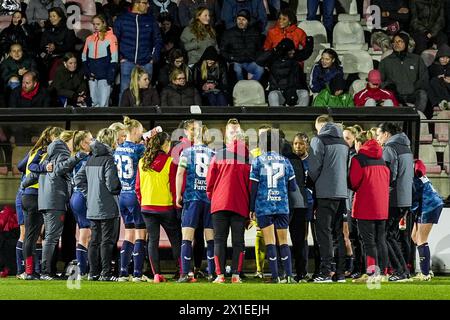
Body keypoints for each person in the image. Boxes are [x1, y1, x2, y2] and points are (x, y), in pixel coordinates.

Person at [206, 119, 251, 283]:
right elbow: (251, 186)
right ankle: (236, 275)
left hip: (219, 204)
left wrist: (213, 198)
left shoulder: (219, 155)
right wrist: (250, 209)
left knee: (219, 240)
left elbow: (209, 182)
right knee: (238, 241)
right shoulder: (249, 159)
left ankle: (219, 275)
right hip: (240, 205)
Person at [38, 130, 87, 279]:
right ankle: (45, 272)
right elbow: (60, 169)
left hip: (47, 200)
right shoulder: (62, 152)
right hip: (55, 200)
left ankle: (49, 271)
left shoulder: (50, 155)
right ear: (68, 141)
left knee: (49, 236)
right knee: (52, 237)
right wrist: (78, 157)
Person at [250, 129, 297, 283]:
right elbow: (293, 187)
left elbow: (254, 188)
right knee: (283, 241)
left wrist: (251, 209)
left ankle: (276, 276)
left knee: (270, 242)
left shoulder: (257, 161)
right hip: (282, 205)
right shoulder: (285, 161)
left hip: (264, 206)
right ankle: (289, 275)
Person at [74, 128, 121, 281]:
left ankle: (93, 273)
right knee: (106, 241)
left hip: (93, 206)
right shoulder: (109, 159)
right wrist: (118, 188)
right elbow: (112, 185)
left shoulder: (90, 158)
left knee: (94, 240)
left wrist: (90, 194)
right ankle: (105, 273)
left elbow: (78, 179)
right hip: (108, 206)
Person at [136, 131, 182, 283]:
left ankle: (156, 274)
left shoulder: (142, 161)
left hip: (147, 207)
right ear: (165, 145)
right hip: (165, 207)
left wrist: (143, 201)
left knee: (152, 241)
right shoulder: (170, 161)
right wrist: (177, 205)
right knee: (176, 240)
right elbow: (174, 188)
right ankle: (182, 271)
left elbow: (137, 187)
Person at [18, 126, 63, 280]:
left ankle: (30, 271)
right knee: (33, 235)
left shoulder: (34, 150)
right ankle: (31, 272)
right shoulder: (45, 152)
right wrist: (45, 167)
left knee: (31, 235)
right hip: (35, 195)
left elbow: (21, 166)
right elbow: (32, 167)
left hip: (26, 195)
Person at [309, 115, 348, 283]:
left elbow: (314, 167)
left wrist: (310, 183)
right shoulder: (343, 143)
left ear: (321, 126)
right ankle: (339, 273)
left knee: (323, 233)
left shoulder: (319, 140)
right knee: (338, 234)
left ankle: (325, 272)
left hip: (324, 193)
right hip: (341, 193)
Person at [176, 122, 216, 282]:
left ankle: (186, 273)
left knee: (187, 236)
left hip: (191, 197)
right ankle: (213, 273)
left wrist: (178, 194)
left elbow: (180, 173)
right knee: (210, 237)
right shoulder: (213, 153)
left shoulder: (186, 152)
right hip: (208, 199)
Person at [349, 131, 390, 283]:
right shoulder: (382, 158)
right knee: (381, 240)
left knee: (368, 242)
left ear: (359, 144)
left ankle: (373, 274)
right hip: (381, 206)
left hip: (365, 205)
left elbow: (353, 182)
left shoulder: (358, 159)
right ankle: (383, 273)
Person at [376, 122, 414, 281]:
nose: (377, 138)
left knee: (385, 236)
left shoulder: (390, 149)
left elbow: (388, 175)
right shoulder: (406, 147)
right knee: (391, 235)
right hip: (405, 199)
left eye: (378, 134)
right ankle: (403, 270)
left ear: (386, 134)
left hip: (393, 198)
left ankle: (399, 271)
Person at [114, 117, 146, 282]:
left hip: (123, 196)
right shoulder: (139, 149)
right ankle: (138, 273)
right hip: (135, 195)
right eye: (140, 133)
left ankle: (123, 272)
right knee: (141, 234)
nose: (141, 136)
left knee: (128, 234)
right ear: (134, 132)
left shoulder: (118, 149)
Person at [113, 0, 163, 99]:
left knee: (146, 93)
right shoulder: (122, 19)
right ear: (136, 4)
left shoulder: (150, 20)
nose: (148, 5)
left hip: (146, 62)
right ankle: (124, 114)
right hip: (127, 62)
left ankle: (144, 114)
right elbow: (115, 40)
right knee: (125, 92)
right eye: (145, 3)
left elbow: (158, 39)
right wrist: (120, 57)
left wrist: (153, 57)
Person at [379, 32, 429, 115]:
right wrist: (389, 87)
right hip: (394, 95)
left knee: (422, 94)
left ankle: (416, 117)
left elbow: (424, 78)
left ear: (406, 43)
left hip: (412, 94)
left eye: (400, 41)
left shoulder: (416, 59)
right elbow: (380, 80)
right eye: (394, 42)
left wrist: (414, 87)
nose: (396, 44)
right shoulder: (385, 61)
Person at [411, 159, 443, 281]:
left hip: (429, 205)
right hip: (429, 203)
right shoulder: (415, 169)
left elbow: (413, 196)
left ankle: (425, 274)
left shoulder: (409, 176)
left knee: (421, 239)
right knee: (414, 236)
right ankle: (427, 270)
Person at [258, 38, 310, 107]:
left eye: (293, 49)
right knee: (272, 95)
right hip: (279, 93)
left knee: (305, 93)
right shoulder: (273, 60)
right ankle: (277, 117)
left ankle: (300, 116)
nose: (293, 51)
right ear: (285, 51)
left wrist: (309, 43)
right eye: (291, 50)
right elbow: (259, 61)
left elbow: (306, 54)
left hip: (293, 92)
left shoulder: (294, 59)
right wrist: (274, 49)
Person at [69, 130, 93, 279]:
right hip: (82, 196)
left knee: (84, 233)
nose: (93, 142)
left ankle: (84, 268)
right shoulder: (85, 158)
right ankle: (82, 271)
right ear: (83, 144)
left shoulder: (75, 157)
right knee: (86, 234)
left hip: (75, 197)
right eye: (90, 140)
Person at [82, 14, 118, 108]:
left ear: (104, 23)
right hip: (92, 76)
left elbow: (114, 58)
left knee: (103, 104)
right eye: (93, 24)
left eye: (98, 24)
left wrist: (111, 74)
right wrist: (87, 71)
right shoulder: (89, 39)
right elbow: (84, 57)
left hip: (104, 76)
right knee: (93, 103)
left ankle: (103, 122)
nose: (95, 26)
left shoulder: (111, 38)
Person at [220, 9, 264, 81]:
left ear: (248, 21)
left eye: (243, 19)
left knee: (260, 69)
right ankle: (240, 88)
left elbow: (260, 49)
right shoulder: (229, 33)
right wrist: (231, 57)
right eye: (239, 19)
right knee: (237, 70)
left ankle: (250, 86)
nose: (240, 22)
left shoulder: (255, 32)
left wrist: (256, 58)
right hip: (237, 61)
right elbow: (222, 51)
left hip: (251, 62)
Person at [38, 7, 76, 77]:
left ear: (60, 17)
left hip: (62, 56)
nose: (51, 18)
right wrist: (47, 49)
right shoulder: (47, 29)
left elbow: (70, 46)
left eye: (54, 16)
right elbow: (42, 45)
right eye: (50, 16)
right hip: (48, 56)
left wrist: (56, 47)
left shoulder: (68, 29)